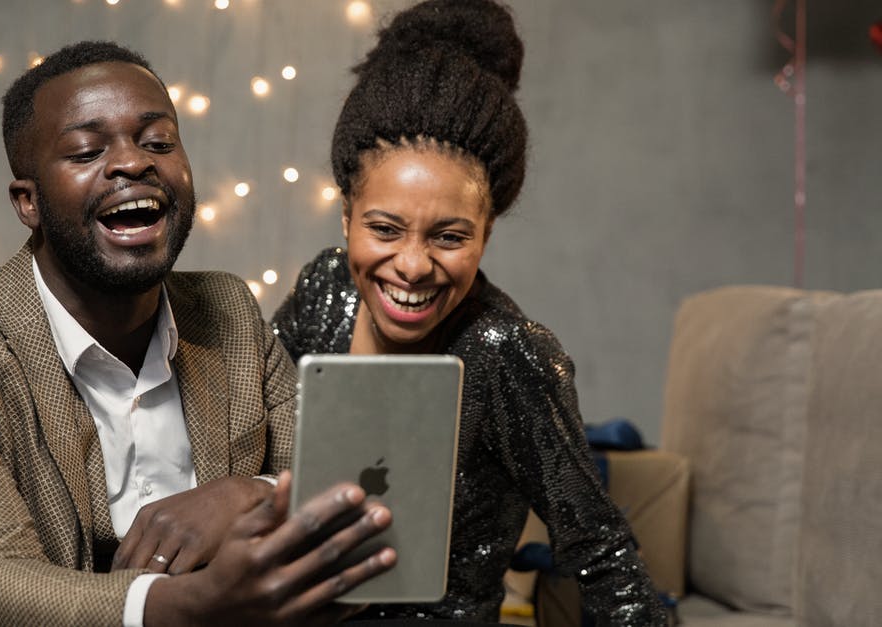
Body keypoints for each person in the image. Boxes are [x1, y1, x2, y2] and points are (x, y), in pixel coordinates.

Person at [0, 41, 394, 626]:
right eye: (88, 150)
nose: (132, 163)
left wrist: (247, 492)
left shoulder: (229, 312)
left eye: (158, 142)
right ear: (28, 202)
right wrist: (196, 605)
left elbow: (335, 481)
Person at [271, 0, 668, 624]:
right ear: (346, 216)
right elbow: (252, 438)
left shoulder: (509, 351)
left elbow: (605, 554)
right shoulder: (325, 287)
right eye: (384, 228)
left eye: (449, 237)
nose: (412, 265)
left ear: (487, 233)